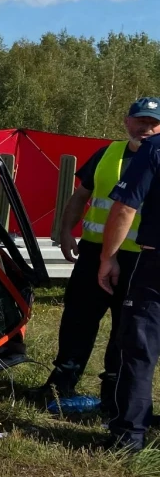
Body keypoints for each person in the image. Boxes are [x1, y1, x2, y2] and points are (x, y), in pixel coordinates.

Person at [34, 100, 160, 409]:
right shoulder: (107, 153)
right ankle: (61, 382)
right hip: (94, 252)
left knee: (126, 328)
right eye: (140, 121)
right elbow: (81, 195)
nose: (145, 128)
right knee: (78, 318)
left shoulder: (156, 157)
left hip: (139, 258)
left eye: (153, 123)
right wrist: (66, 230)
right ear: (127, 121)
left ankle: (113, 395)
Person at [98, 96, 160, 450]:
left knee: (140, 345)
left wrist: (108, 258)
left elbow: (124, 209)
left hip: (156, 264)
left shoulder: (153, 150)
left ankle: (129, 435)